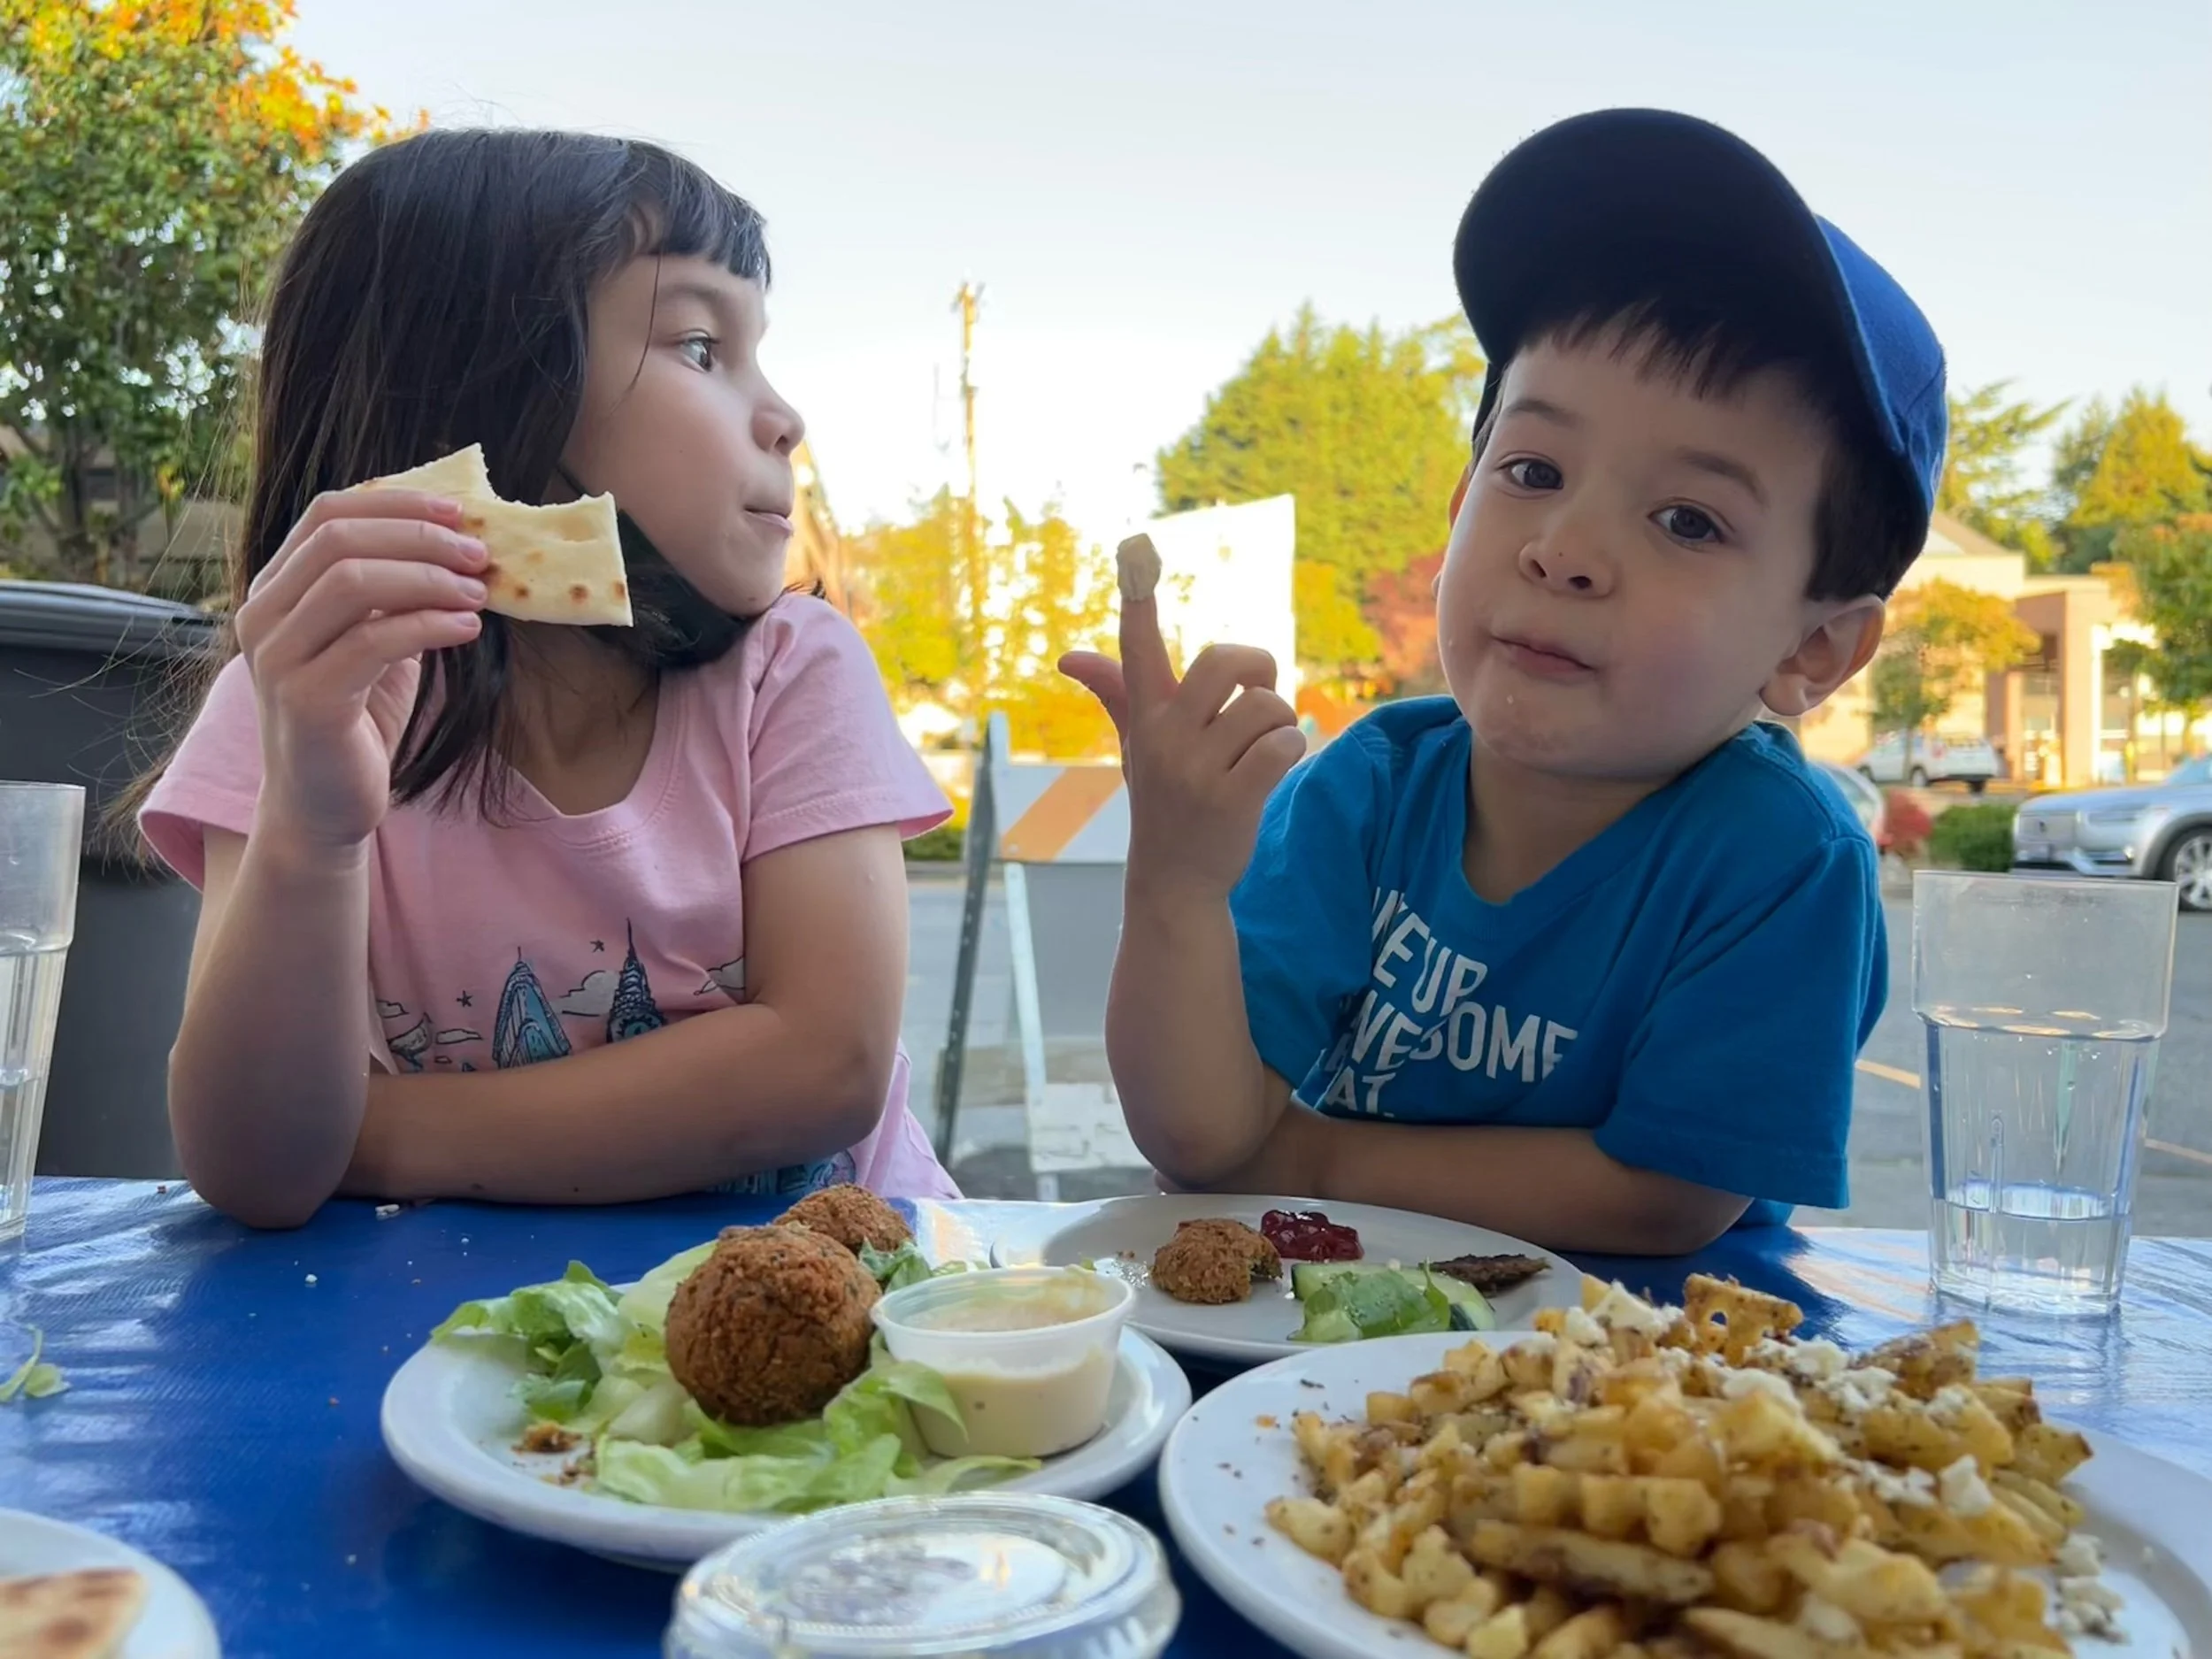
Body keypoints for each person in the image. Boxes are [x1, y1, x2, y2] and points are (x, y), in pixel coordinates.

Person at [1064, 110, 1945, 1254]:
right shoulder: (1370, 786)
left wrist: (1310, 1158)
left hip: (1649, 1381)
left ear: (1811, 650)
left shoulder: (1782, 858)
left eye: (1688, 517)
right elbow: (1201, 1131)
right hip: (1318, 1356)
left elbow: (1665, 1195)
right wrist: (1177, 884)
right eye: (1532, 469)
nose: (1564, 546)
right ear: (1459, 506)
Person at [131, 129, 958, 1228]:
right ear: (480, 401)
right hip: (443, 1355)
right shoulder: (298, 710)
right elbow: (257, 1172)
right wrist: (314, 831)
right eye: (703, 346)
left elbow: (823, 1064)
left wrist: (375, 1136)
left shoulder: (789, 673)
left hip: (842, 1316)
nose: (786, 417)